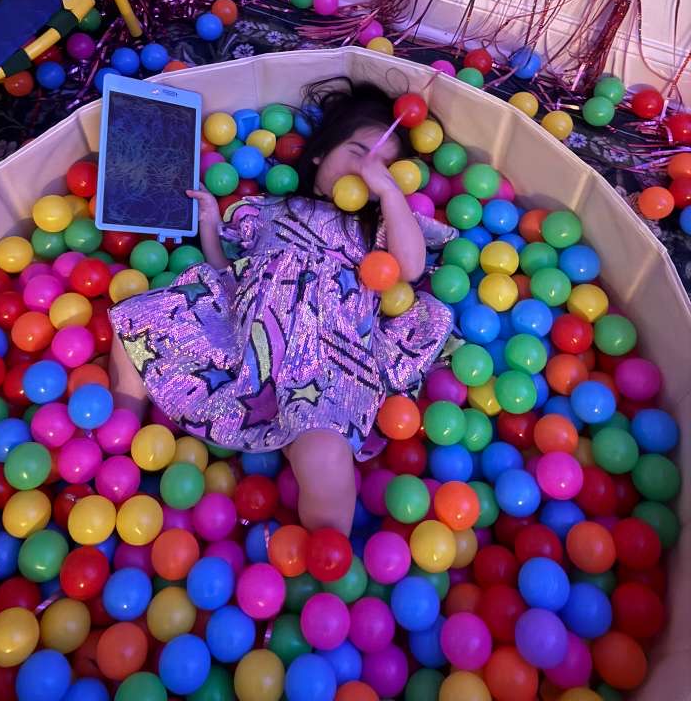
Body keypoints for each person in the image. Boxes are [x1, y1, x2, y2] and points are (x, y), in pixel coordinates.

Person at [109, 80, 456, 533]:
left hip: (328, 359)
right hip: (245, 334)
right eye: (357, 152)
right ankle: (115, 447)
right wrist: (211, 225)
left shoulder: (375, 227)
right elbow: (230, 272)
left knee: (323, 455)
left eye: (385, 167)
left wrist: (390, 196)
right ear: (318, 154)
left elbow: (409, 268)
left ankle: (329, 566)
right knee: (136, 322)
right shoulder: (271, 208)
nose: (369, 170)